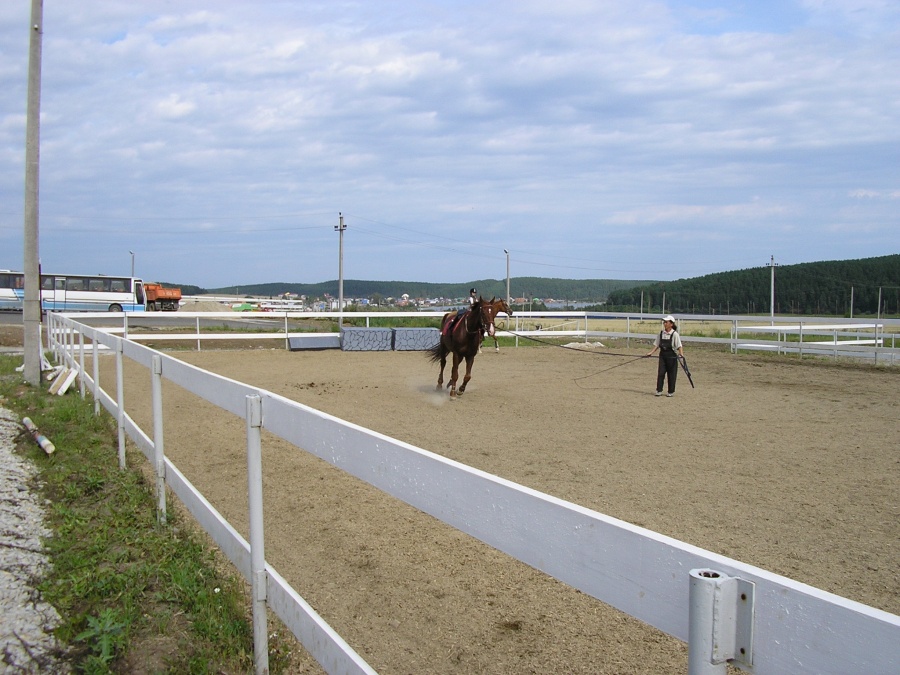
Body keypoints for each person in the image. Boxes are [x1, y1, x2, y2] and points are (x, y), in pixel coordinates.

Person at [646, 315, 683, 397]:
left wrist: (681, 354)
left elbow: (679, 346)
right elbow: (657, 345)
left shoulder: (675, 334)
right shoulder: (661, 333)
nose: (664, 323)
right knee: (661, 373)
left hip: (672, 357)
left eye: (666, 322)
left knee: (671, 374)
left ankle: (671, 391)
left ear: (671, 324)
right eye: (664, 322)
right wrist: (651, 352)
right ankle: (659, 390)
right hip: (662, 356)